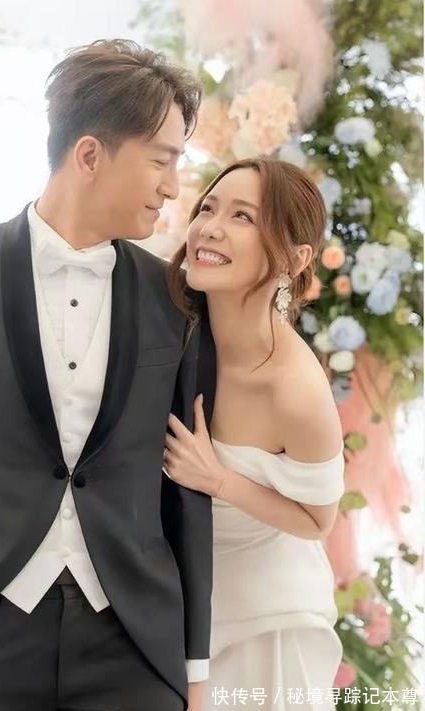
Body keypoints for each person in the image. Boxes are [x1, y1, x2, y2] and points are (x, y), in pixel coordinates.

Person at [0, 39, 215, 711]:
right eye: (161, 160)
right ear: (89, 155)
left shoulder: (175, 298)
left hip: (135, 642)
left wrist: (193, 660)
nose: (173, 186)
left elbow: (184, 486)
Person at [163, 157, 345, 711]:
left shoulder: (295, 389)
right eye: (208, 208)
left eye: (243, 216)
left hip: (267, 621)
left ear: (295, 258)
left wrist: (218, 480)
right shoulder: (173, 330)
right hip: (179, 606)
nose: (210, 228)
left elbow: (318, 520)